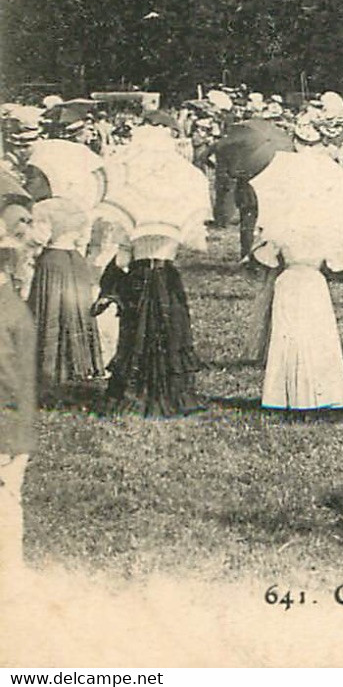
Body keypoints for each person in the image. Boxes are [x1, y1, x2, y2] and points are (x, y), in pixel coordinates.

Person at [97, 227, 206, 416]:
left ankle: (134, 391)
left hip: (139, 280)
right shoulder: (177, 225)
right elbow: (198, 246)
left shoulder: (132, 227)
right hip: (167, 280)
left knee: (137, 332)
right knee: (170, 332)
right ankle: (172, 393)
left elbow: (122, 261)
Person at [249, 240, 343, 411]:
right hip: (312, 282)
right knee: (314, 336)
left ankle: (282, 395)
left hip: (290, 281)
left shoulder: (282, 225)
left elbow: (264, 258)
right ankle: (319, 392)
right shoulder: (325, 229)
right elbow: (338, 265)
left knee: (289, 335)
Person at [28, 198, 102, 392]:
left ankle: (47, 370)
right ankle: (75, 367)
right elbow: (82, 240)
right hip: (76, 261)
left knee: (50, 311)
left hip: (53, 260)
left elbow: (38, 239)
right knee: (74, 311)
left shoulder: (43, 208)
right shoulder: (79, 209)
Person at [0, 245, 38, 590]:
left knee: (5, 503)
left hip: (5, 431)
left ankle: (10, 573)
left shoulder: (5, 314)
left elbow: (9, 381)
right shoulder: (14, 308)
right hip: (15, 427)